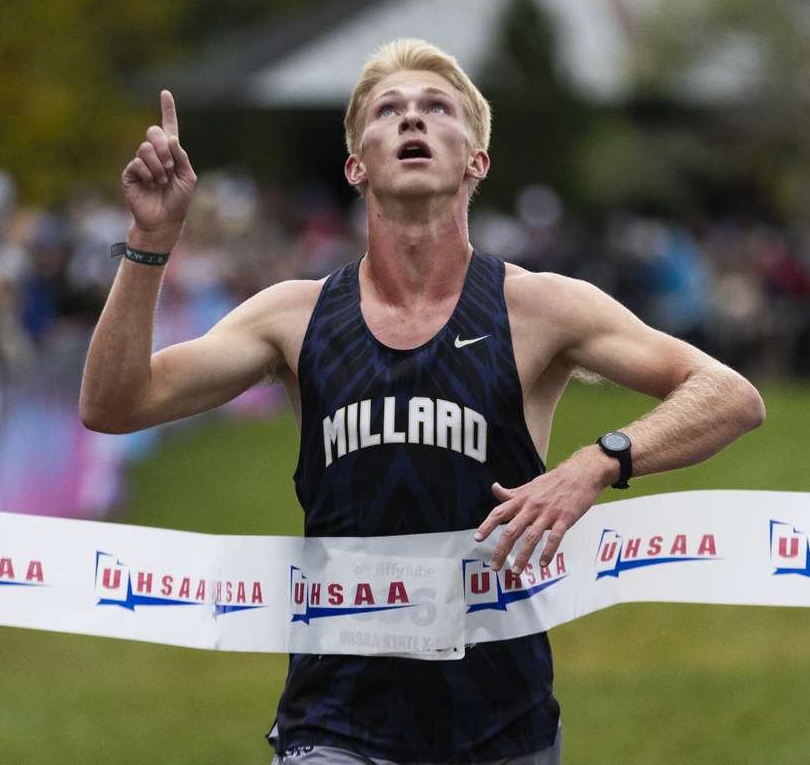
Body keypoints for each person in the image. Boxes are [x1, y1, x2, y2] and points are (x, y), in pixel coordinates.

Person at [80, 38, 765, 765]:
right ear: (356, 165)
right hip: (335, 722)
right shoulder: (294, 315)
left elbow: (729, 394)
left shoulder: (539, 307)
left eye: (437, 108)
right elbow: (116, 403)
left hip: (504, 724)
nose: (413, 119)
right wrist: (151, 240)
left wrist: (595, 464)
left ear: (476, 160)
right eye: (389, 110)